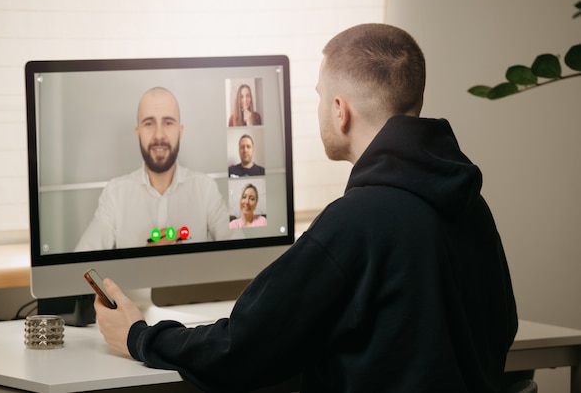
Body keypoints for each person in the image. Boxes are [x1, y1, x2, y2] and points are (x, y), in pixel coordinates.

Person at [95, 24, 518, 393]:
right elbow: (503, 327)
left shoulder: (357, 222)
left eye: (320, 97)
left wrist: (139, 336)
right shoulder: (469, 204)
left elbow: (241, 347)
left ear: (340, 110)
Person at [75, 87, 234, 250]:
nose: (159, 135)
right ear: (138, 133)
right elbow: (81, 266)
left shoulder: (205, 189)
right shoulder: (114, 195)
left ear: (180, 131)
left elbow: (239, 254)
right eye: (149, 123)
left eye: (168, 123)